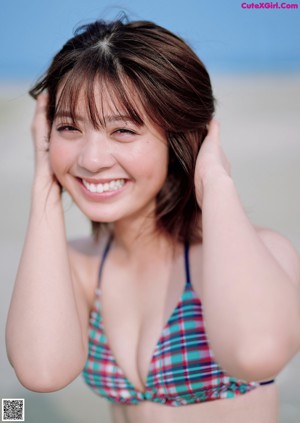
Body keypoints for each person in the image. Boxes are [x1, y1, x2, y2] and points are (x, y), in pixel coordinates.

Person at [5, 17, 300, 423]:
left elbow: (257, 351)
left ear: (179, 138)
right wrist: (44, 184)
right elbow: (40, 371)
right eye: (69, 127)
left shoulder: (263, 253)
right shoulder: (79, 267)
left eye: (123, 130)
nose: (91, 160)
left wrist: (214, 180)